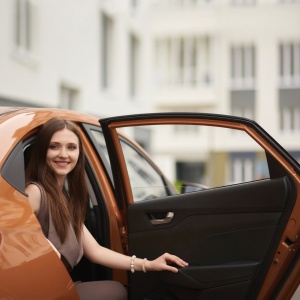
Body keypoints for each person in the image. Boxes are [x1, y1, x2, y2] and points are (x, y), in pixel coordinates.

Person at [25, 117, 188, 300]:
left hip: (59, 286)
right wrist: (43, 248)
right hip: (41, 290)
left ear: (79, 153)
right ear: (41, 151)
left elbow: (95, 251)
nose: (63, 154)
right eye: (54, 146)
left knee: (116, 289)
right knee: (117, 291)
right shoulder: (35, 191)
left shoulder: (64, 197)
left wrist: (148, 264)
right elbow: (10, 232)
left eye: (71, 147)